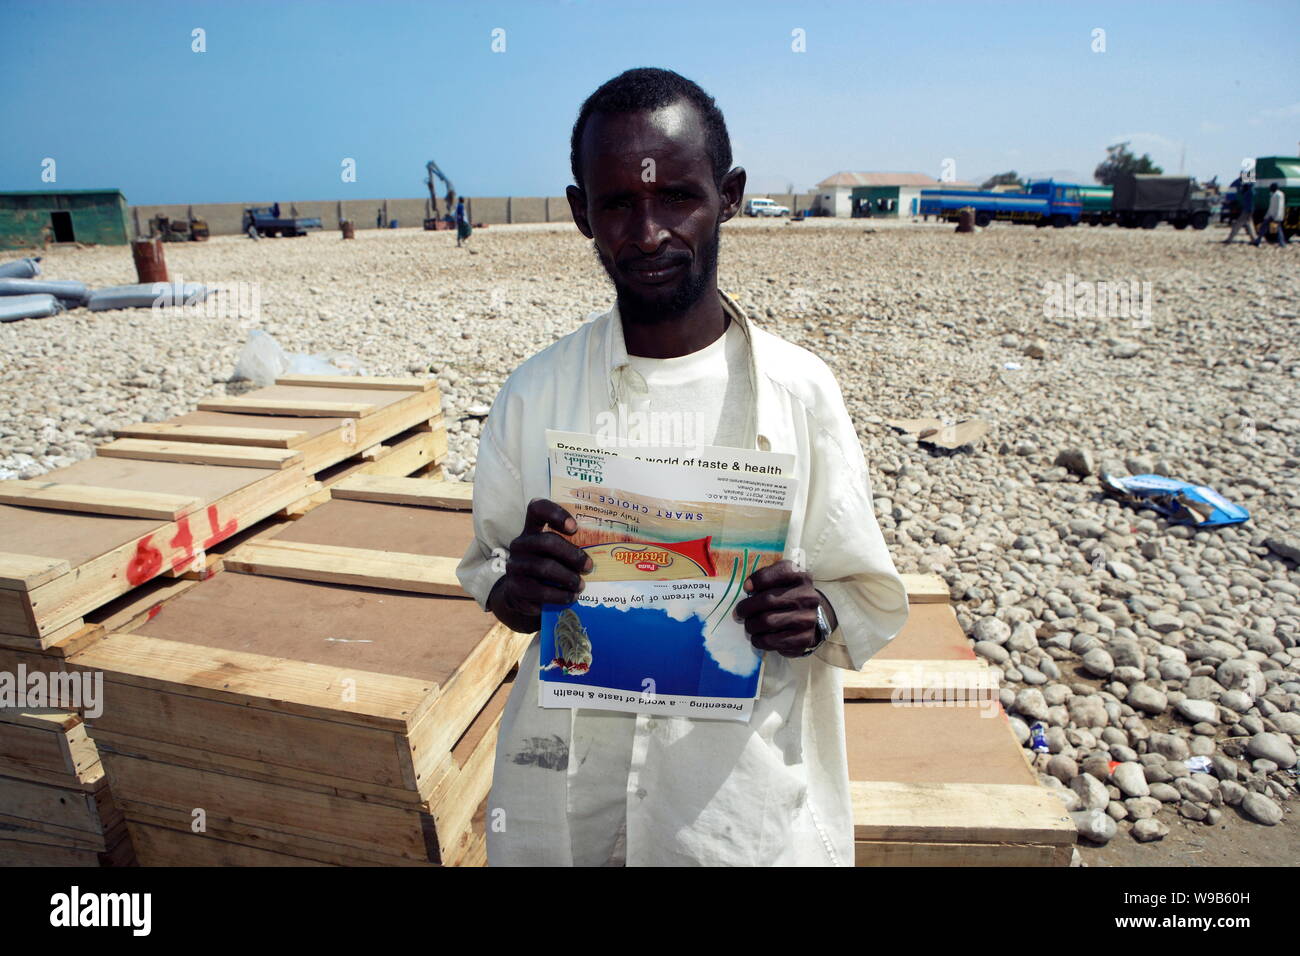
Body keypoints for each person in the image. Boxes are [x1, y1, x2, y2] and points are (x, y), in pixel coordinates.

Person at [456, 67, 909, 867]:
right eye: (619, 204)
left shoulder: (799, 395)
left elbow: (863, 594)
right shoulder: (536, 392)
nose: (649, 232)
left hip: (733, 814)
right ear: (579, 213)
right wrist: (518, 589)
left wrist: (813, 618)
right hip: (566, 803)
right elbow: (490, 566)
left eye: (678, 198)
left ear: (729, 196)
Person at [1254, 183, 1289, 248]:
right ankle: (1258, 240)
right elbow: (1272, 206)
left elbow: (1279, 206)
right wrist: (1267, 215)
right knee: (1269, 227)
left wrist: (1277, 216)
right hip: (1272, 215)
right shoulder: (1275, 194)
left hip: (1275, 215)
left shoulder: (1279, 195)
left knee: (1275, 229)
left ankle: (1281, 243)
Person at [1223, 178, 1257, 244]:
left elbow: (1240, 189)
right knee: (1250, 225)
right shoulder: (1250, 192)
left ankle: (1230, 239)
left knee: (1237, 225)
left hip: (1246, 211)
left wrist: (1243, 179)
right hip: (1250, 210)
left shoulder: (1247, 193)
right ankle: (1254, 239)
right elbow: (1251, 187)